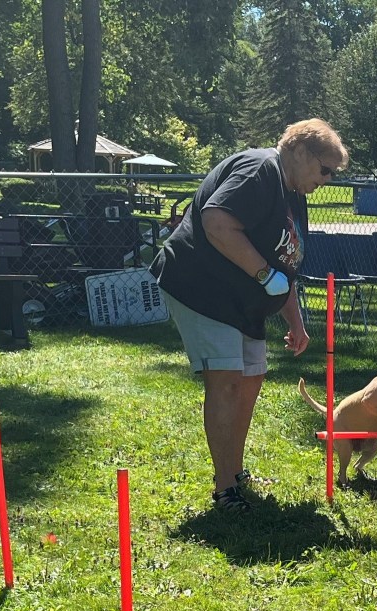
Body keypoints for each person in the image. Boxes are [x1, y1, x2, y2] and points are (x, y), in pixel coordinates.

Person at [149, 118, 349, 512]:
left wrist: (295, 320)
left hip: (241, 301)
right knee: (225, 382)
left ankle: (235, 473)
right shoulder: (260, 169)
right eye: (325, 169)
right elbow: (217, 222)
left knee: (251, 379)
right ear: (300, 152)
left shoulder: (293, 193)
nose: (327, 179)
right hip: (203, 288)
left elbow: (284, 263)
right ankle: (226, 489)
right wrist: (263, 273)